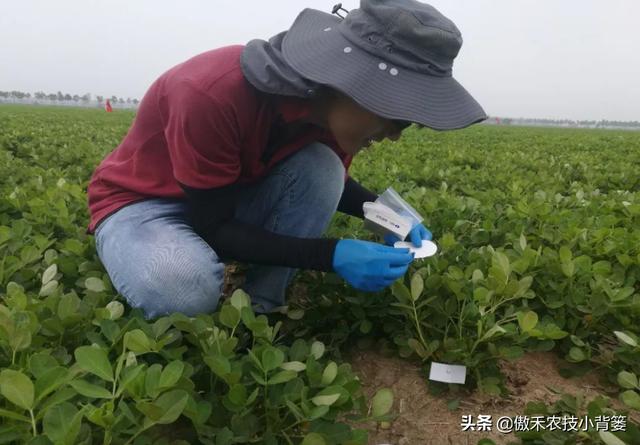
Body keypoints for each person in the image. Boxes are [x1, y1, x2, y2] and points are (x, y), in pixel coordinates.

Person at [87, 0, 487, 319]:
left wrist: (385, 214)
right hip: (143, 206)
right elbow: (213, 226)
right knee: (182, 288)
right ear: (354, 84)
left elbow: (326, 183)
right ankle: (130, 249)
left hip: (226, 198)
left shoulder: (330, 112)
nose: (396, 135)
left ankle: (260, 312)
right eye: (396, 116)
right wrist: (330, 255)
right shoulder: (211, 92)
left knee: (323, 166)